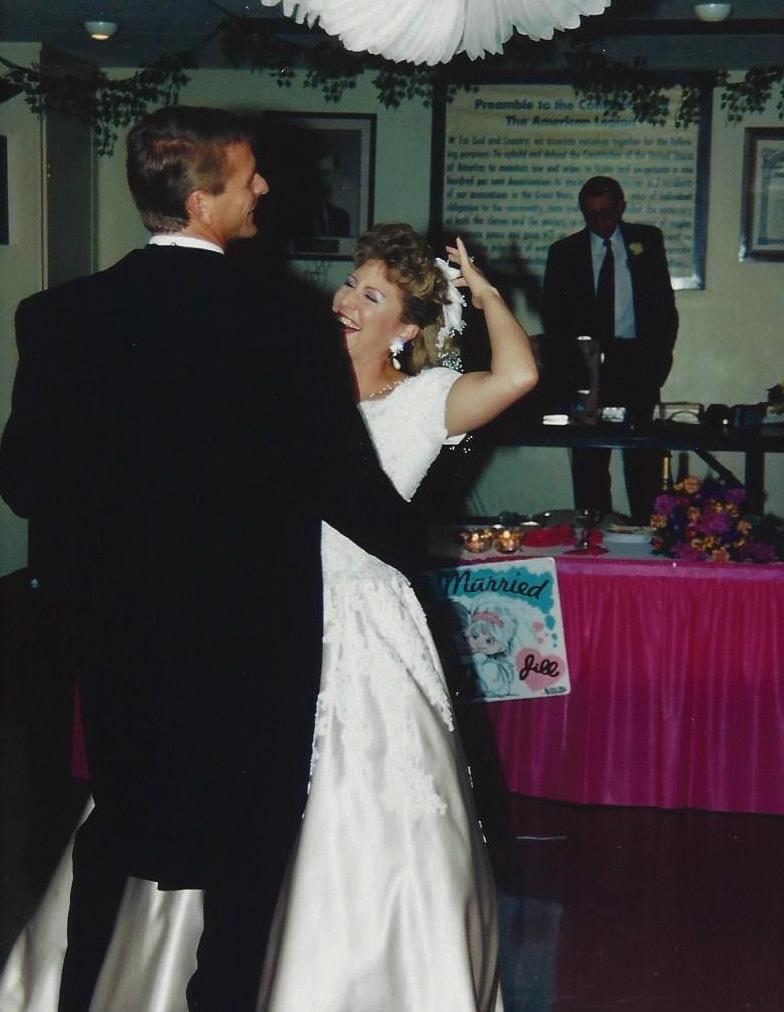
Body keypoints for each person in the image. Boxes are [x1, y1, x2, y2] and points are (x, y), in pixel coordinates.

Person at [0, 223, 537, 1011]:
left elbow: (519, 375)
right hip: (257, 608)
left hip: (362, 622)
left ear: (407, 330)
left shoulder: (428, 400)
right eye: (350, 283)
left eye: (373, 296)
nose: (348, 301)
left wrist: (483, 292)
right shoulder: (288, 374)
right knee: (213, 796)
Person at [0, 106, 416, 1012]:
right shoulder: (287, 320)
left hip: (121, 628)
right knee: (249, 842)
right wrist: (429, 553)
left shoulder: (58, 316)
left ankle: (74, 995)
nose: (264, 186)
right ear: (201, 202)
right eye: (248, 176)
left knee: (120, 818)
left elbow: (24, 481)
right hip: (252, 631)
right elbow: (340, 482)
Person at [543, 175, 678, 524]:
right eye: (591, 215)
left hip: (637, 362)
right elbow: (553, 317)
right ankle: (594, 535)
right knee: (589, 461)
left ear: (620, 208)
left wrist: (658, 362)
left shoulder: (647, 241)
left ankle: (649, 534)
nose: (599, 222)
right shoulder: (563, 252)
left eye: (606, 213)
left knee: (643, 460)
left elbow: (664, 307)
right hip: (586, 367)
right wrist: (566, 370)